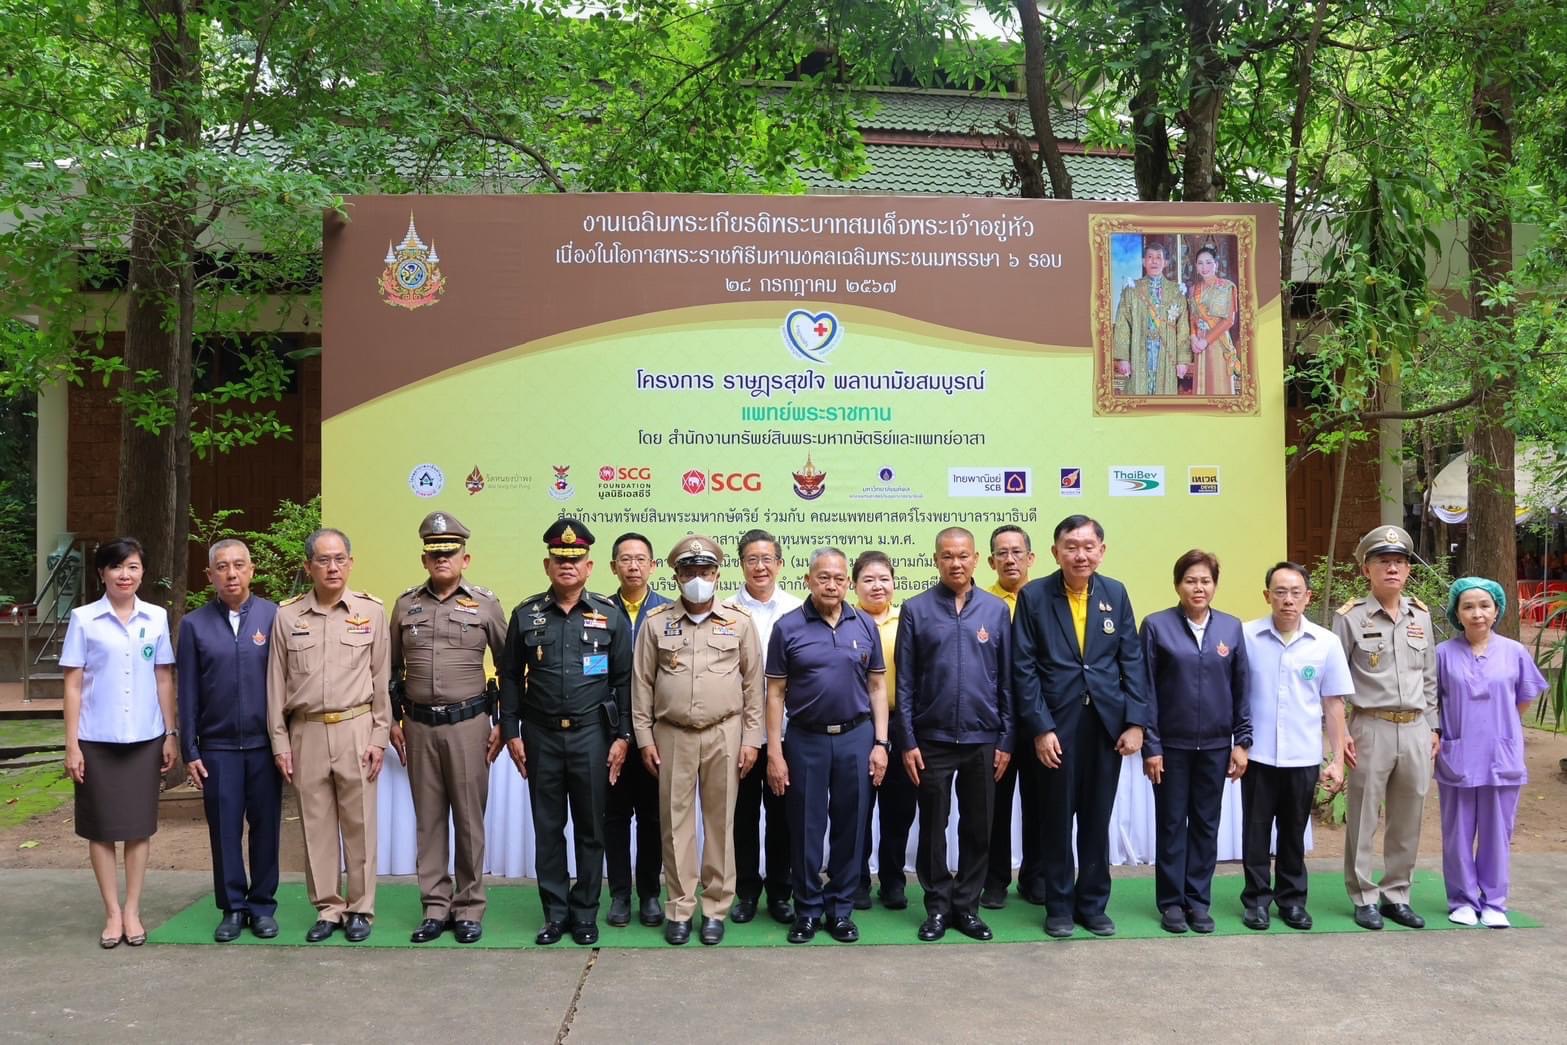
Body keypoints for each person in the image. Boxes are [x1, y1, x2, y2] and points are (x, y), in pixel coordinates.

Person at [1012, 515, 1149, 938]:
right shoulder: (1034, 596)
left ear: (1101, 551)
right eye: (1071, 546)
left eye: (1089, 546)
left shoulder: (1115, 593)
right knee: (1055, 819)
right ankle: (1058, 906)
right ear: (1055, 553)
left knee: (1096, 818)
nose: (1080, 554)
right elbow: (1024, 668)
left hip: (1106, 726)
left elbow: (1132, 661)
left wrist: (1135, 721)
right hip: (1057, 726)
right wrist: (1040, 727)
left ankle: (1092, 904)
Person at [499, 518, 633, 946]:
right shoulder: (526, 614)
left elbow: (624, 681)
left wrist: (623, 737)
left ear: (590, 567)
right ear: (547, 564)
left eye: (575, 560)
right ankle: (555, 914)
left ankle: (586, 912)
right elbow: (508, 676)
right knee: (548, 827)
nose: (567, 566)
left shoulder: (610, 616)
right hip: (540, 735)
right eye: (560, 559)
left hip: (592, 735)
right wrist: (511, 730)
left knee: (592, 828)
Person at [633, 535, 764, 946]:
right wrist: (643, 738)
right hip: (671, 735)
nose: (697, 579)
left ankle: (715, 908)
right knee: (675, 826)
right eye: (688, 572)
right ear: (675, 575)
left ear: (717, 575)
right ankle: (680, 908)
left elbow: (753, 686)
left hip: (726, 732)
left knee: (722, 823)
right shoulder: (655, 623)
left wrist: (752, 740)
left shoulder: (739, 622)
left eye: (704, 572)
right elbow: (642, 685)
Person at [268, 528, 391, 943]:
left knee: (360, 824)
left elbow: (381, 678)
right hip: (307, 732)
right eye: (323, 560)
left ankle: (360, 908)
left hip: (357, 727)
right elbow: (275, 686)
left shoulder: (371, 612)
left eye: (340, 558)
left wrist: (379, 737)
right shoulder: (287, 616)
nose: (332, 567)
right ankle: (328, 907)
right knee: (315, 825)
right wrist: (280, 742)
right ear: (308, 567)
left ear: (351, 562)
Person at [388, 511, 507, 945]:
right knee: (430, 820)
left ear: (465, 557)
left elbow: (509, 667)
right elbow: (390, 668)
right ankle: (435, 906)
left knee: (470, 820)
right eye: (435, 553)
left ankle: (470, 906)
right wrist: (392, 721)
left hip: (469, 724)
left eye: (450, 552)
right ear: (424, 558)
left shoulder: (485, 604)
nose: (443, 559)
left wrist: (503, 723)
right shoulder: (405, 605)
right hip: (418, 727)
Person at [765, 547, 889, 944]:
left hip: (857, 737)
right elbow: (775, 693)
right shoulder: (788, 627)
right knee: (804, 827)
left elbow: (876, 685)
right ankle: (807, 910)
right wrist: (774, 751)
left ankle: (840, 910)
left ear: (847, 583)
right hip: (805, 739)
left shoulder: (864, 624)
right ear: (808, 581)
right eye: (824, 577)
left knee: (851, 828)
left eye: (838, 578)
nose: (832, 585)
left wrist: (881, 743)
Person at [895, 528, 1013, 942]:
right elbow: (905, 682)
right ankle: (938, 908)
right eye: (947, 556)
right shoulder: (916, 609)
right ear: (936, 560)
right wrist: (907, 739)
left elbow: (1007, 683)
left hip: (984, 739)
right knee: (933, 827)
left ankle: (967, 906)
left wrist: (1006, 739)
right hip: (932, 739)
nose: (956, 563)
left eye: (963, 555)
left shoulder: (996, 611)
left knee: (979, 828)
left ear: (978, 559)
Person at [60, 537, 177, 948]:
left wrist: (170, 732)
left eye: (132, 567)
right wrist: (71, 744)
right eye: (116, 568)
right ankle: (111, 912)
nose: (124, 575)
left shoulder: (156, 617)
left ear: (142, 572)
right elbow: (73, 684)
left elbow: (163, 676)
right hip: (96, 738)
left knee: (138, 827)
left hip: (145, 737)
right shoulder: (84, 619)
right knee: (101, 828)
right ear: (102, 574)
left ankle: (132, 909)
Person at [1333, 525, 1439, 931]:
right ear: (1367, 569)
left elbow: (1428, 676)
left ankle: (1397, 893)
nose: (1392, 568)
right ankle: (1363, 895)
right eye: (1383, 562)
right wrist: (1340, 735)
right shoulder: (1351, 618)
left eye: (1399, 562)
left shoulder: (1421, 616)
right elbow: (1335, 684)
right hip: (1370, 726)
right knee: (1363, 815)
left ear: (1408, 570)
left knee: (1408, 814)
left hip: (1414, 727)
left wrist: (1433, 727)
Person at [1139, 549, 1250, 934]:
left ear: (1215, 585)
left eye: (1205, 581)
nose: (1198, 588)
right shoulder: (1156, 626)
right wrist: (1151, 746)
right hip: (1170, 747)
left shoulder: (1231, 629)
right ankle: (1171, 902)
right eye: (1190, 580)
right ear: (1177, 585)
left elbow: (1242, 689)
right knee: (1171, 825)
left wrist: (1242, 742)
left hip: (1217, 747)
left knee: (1206, 824)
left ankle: (1197, 900)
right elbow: (1146, 691)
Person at [176, 539, 281, 943]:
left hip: (265, 745)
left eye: (239, 565)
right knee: (224, 830)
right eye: (222, 567)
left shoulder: (274, 617)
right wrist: (191, 748)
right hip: (217, 749)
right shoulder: (194, 625)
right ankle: (233, 907)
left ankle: (262, 906)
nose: (231, 573)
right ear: (210, 576)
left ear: (252, 570)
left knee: (266, 827)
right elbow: (187, 691)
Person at [1241, 562, 1353, 931]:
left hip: (1302, 757)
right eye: (1279, 592)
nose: (1287, 600)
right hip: (1257, 755)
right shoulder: (1246, 637)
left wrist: (1337, 760)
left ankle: (1291, 901)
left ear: (1308, 597)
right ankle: (1256, 900)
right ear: (1266, 596)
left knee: (1293, 832)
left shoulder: (1325, 643)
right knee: (1255, 833)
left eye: (1295, 592)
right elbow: (1234, 696)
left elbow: (1334, 704)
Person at [1435, 577, 1547, 928]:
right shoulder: (1442, 654)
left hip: (1502, 755)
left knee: (1499, 832)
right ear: (1457, 612)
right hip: (1459, 754)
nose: (1477, 613)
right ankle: (1463, 900)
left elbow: (1524, 698)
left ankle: (1495, 901)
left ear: (1497, 609)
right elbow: (1433, 701)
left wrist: (1502, 728)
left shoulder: (1514, 652)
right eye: (1468, 606)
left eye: (1484, 605)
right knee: (1457, 832)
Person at [723, 528, 803, 925]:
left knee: (784, 815)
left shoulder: (799, 609)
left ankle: (780, 892)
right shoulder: (723, 612)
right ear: (742, 565)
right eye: (752, 559)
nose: (760, 566)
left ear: (779, 564)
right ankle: (746, 892)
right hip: (737, 734)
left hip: (788, 733)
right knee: (743, 815)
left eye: (767, 559)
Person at [605, 531, 671, 929]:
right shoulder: (597, 610)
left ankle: (649, 893)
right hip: (610, 733)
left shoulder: (669, 611)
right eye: (625, 559)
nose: (633, 565)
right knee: (613, 816)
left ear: (652, 565)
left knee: (653, 817)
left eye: (640, 558)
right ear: (613, 566)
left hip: (657, 735)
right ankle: (618, 894)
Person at [981, 524, 1042, 909]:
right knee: (993, 805)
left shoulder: (1045, 599)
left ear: (1031, 558)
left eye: (1017, 552)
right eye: (1002, 553)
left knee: (1040, 803)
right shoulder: (982, 603)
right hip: (994, 722)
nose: (1010, 559)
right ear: (990, 561)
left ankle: (1036, 878)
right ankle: (994, 879)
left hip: (1038, 721)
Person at [851, 550, 915, 911]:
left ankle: (892, 880)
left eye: (884, 579)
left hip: (901, 725)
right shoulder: (845, 621)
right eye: (868, 580)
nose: (877, 586)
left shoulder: (909, 619)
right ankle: (857, 880)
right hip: (858, 727)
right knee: (857, 808)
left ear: (894, 582)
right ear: (854, 585)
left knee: (899, 809)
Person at [1113, 240, 1191, 396]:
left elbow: (1183, 328)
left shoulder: (1176, 292)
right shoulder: (1132, 290)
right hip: (1139, 353)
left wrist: (1182, 361)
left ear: (1165, 262)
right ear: (1143, 262)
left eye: (1158, 257)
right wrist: (1123, 358)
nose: (1154, 261)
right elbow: (1123, 325)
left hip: (1167, 355)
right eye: (1150, 257)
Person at [1187, 244, 1240, 396]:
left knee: (1218, 385)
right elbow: (1193, 317)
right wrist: (1193, 338)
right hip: (1199, 342)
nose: (1205, 267)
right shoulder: (1193, 290)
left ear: (1216, 265)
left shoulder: (1227, 287)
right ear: (1196, 267)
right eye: (1200, 263)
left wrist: (1206, 340)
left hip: (1218, 341)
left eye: (1209, 262)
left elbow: (1229, 320)